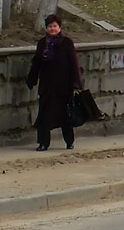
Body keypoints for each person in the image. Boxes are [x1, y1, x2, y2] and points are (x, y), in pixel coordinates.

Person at [26, 13, 82, 152]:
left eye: (55, 26)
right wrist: (32, 79)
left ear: (59, 27)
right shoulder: (42, 43)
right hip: (47, 86)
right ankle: (43, 143)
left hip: (64, 86)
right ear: (46, 28)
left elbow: (74, 63)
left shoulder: (66, 43)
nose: (52, 29)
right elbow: (36, 63)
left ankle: (69, 141)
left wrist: (76, 83)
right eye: (50, 26)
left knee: (65, 116)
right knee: (44, 115)